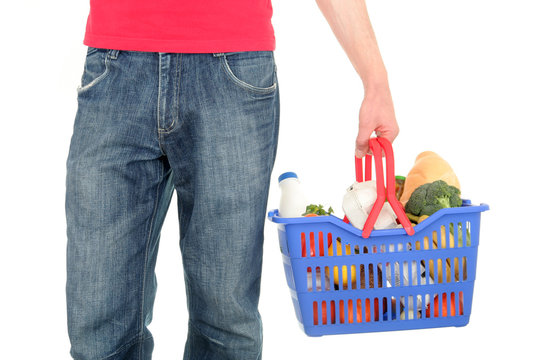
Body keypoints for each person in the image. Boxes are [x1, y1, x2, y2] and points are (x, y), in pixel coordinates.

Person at [65, 0, 399, 359]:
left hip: (232, 69)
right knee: (99, 327)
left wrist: (375, 80)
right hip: (116, 66)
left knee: (225, 324)